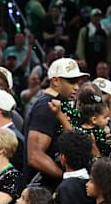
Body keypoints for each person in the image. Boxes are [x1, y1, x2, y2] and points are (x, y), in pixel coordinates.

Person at [25, 58, 88, 189]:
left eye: (77, 82)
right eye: (71, 82)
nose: (77, 87)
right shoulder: (46, 106)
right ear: (55, 80)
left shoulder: (58, 104)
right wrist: (67, 177)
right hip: (41, 190)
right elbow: (35, 156)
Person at [68, 89, 111, 157]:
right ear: (94, 119)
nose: (108, 119)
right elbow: (105, 148)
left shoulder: (77, 128)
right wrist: (110, 143)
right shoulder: (98, 133)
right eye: (105, 117)